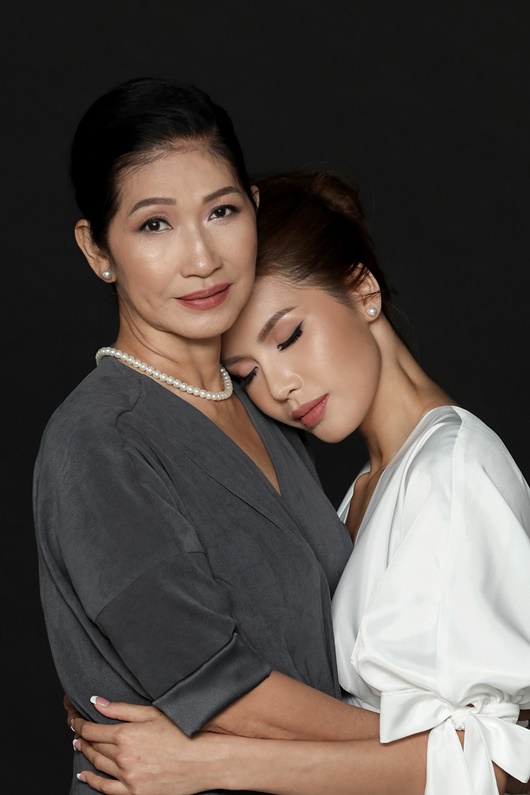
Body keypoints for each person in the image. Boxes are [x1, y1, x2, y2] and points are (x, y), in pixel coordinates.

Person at [34, 80, 437, 795]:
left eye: (221, 211)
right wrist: (443, 744)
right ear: (97, 250)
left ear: (252, 207)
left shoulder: (262, 408)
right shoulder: (97, 442)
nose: (201, 257)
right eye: (154, 225)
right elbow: (222, 690)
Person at [69, 172, 530, 795]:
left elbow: (501, 763)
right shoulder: (368, 488)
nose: (279, 386)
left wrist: (208, 761)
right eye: (247, 373)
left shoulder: (451, 471)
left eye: (289, 336)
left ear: (362, 290)